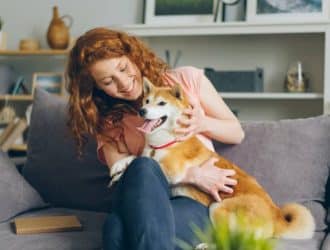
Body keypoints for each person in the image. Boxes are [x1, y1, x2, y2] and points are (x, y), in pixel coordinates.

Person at [66, 27, 245, 250]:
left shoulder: (185, 80)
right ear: (97, 89)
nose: (123, 82)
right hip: (141, 201)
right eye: (108, 81)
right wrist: (191, 175)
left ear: (133, 55)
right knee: (142, 165)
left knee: (116, 231)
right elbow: (123, 177)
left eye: (123, 68)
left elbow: (236, 132)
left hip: (194, 202)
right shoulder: (109, 122)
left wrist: (203, 123)